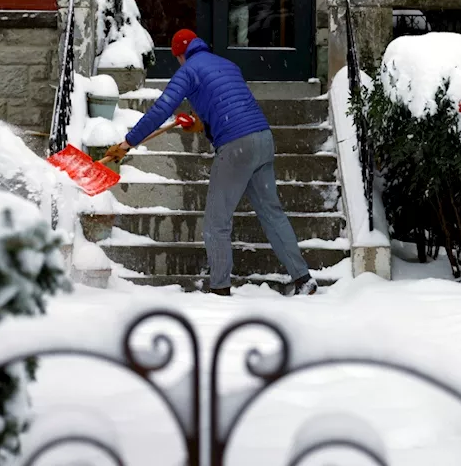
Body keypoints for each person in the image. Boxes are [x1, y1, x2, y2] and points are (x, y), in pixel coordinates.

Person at [105, 29, 316, 297]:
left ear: (180, 55)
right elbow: (229, 105)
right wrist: (197, 124)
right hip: (262, 138)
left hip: (236, 145)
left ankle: (219, 290)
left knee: (217, 222)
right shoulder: (227, 64)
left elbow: (161, 109)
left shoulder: (188, 70)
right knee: (272, 213)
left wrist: (127, 143)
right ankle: (303, 279)